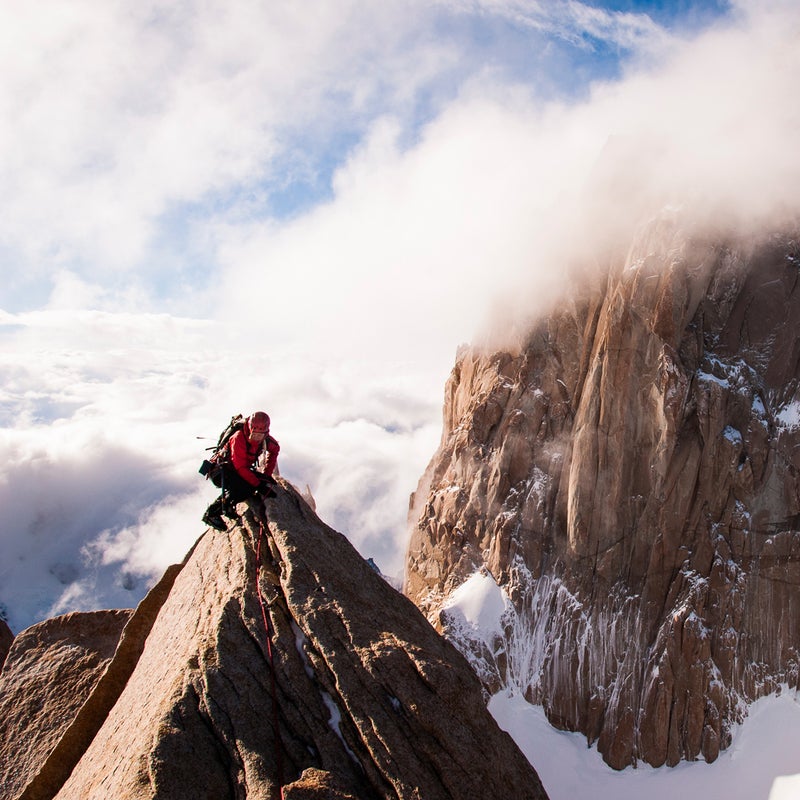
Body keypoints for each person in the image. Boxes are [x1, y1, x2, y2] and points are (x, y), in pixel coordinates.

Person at [202, 411, 280, 531]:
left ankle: (228, 505)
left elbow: (275, 450)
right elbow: (240, 467)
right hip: (221, 471)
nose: (257, 436)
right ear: (250, 427)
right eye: (255, 431)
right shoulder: (239, 437)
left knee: (254, 483)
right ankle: (211, 514)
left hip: (235, 470)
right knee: (246, 488)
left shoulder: (266, 440)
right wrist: (259, 485)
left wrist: (266, 476)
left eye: (260, 433)